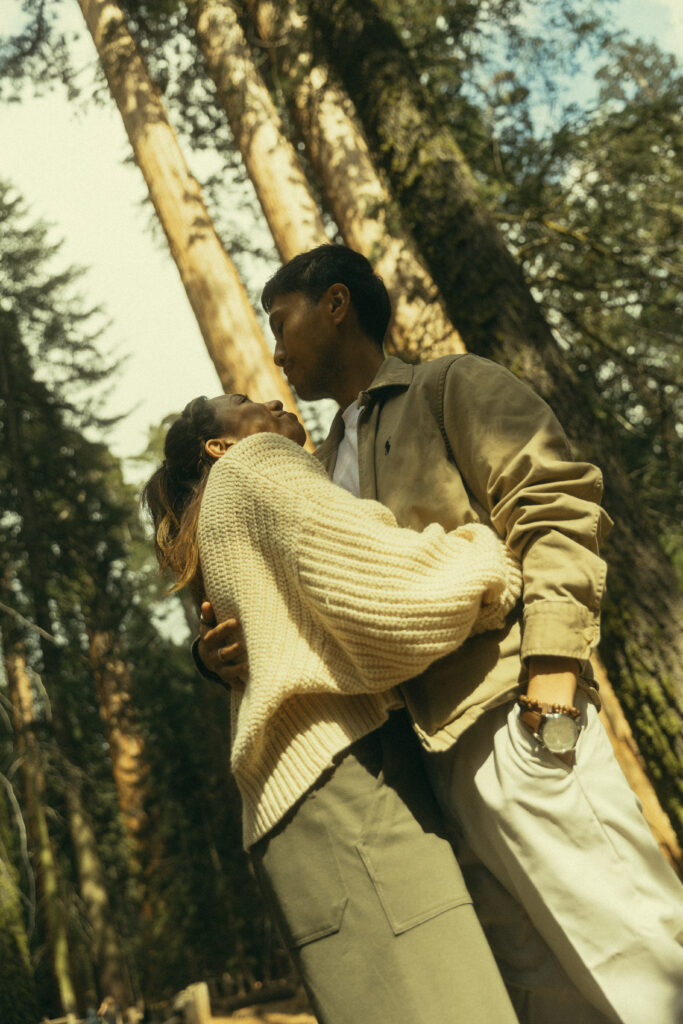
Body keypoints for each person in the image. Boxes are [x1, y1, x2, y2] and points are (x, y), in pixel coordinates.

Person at [197, 244, 683, 1024]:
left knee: (631, 948)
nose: (276, 351)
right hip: (427, 776)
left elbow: (554, 501)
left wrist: (552, 665)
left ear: (335, 304)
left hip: (516, 718)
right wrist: (216, 651)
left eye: (280, 322)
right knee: (547, 992)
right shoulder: (312, 467)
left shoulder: (449, 385)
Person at [143, 391, 522, 1024]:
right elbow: (395, 597)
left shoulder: (220, 513)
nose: (268, 396)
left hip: (298, 819)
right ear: (220, 445)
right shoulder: (255, 464)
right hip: (348, 793)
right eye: (241, 399)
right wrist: (492, 558)